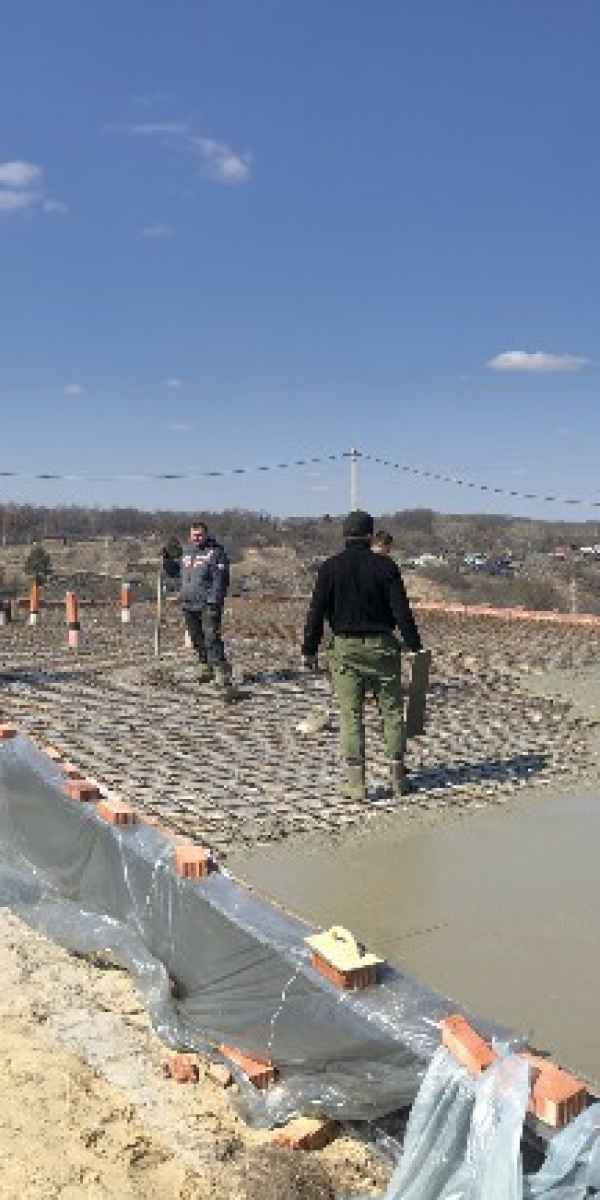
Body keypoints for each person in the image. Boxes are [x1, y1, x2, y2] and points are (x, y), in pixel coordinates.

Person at [301, 510, 423, 800]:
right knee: (391, 712)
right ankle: (398, 779)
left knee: (351, 715)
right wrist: (414, 645)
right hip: (383, 648)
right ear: (370, 535)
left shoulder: (330, 567)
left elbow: (316, 612)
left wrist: (309, 649)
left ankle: (356, 785)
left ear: (345, 534)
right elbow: (402, 612)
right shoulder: (386, 566)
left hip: (345, 649)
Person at [162, 520, 234, 696]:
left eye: (200, 535)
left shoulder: (215, 552)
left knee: (211, 637)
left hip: (208, 603)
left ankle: (221, 671)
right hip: (188, 603)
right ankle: (205, 666)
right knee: (196, 637)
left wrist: (214, 600)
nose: (197, 538)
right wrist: (167, 559)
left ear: (206, 535)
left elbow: (221, 579)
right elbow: (175, 572)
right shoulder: (187, 553)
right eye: (194, 535)